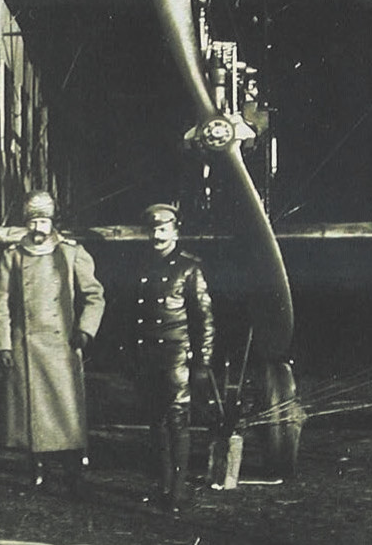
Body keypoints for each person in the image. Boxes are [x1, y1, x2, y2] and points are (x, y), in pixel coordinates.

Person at [0, 189, 105, 498]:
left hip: (62, 344)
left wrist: (85, 330)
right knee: (32, 412)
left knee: (66, 410)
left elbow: (95, 296)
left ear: (52, 222)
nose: (37, 228)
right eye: (32, 222)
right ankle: (37, 469)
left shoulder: (70, 253)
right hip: (26, 345)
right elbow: (1, 304)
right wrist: (3, 344)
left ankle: (73, 470)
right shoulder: (13, 256)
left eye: (43, 221)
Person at [134, 203, 214, 513]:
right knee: (156, 422)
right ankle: (165, 486)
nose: (157, 236)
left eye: (164, 230)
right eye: (153, 230)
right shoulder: (142, 266)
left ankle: (178, 492)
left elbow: (204, 319)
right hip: (149, 355)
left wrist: (203, 362)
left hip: (176, 355)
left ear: (175, 233)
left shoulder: (189, 269)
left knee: (177, 421)